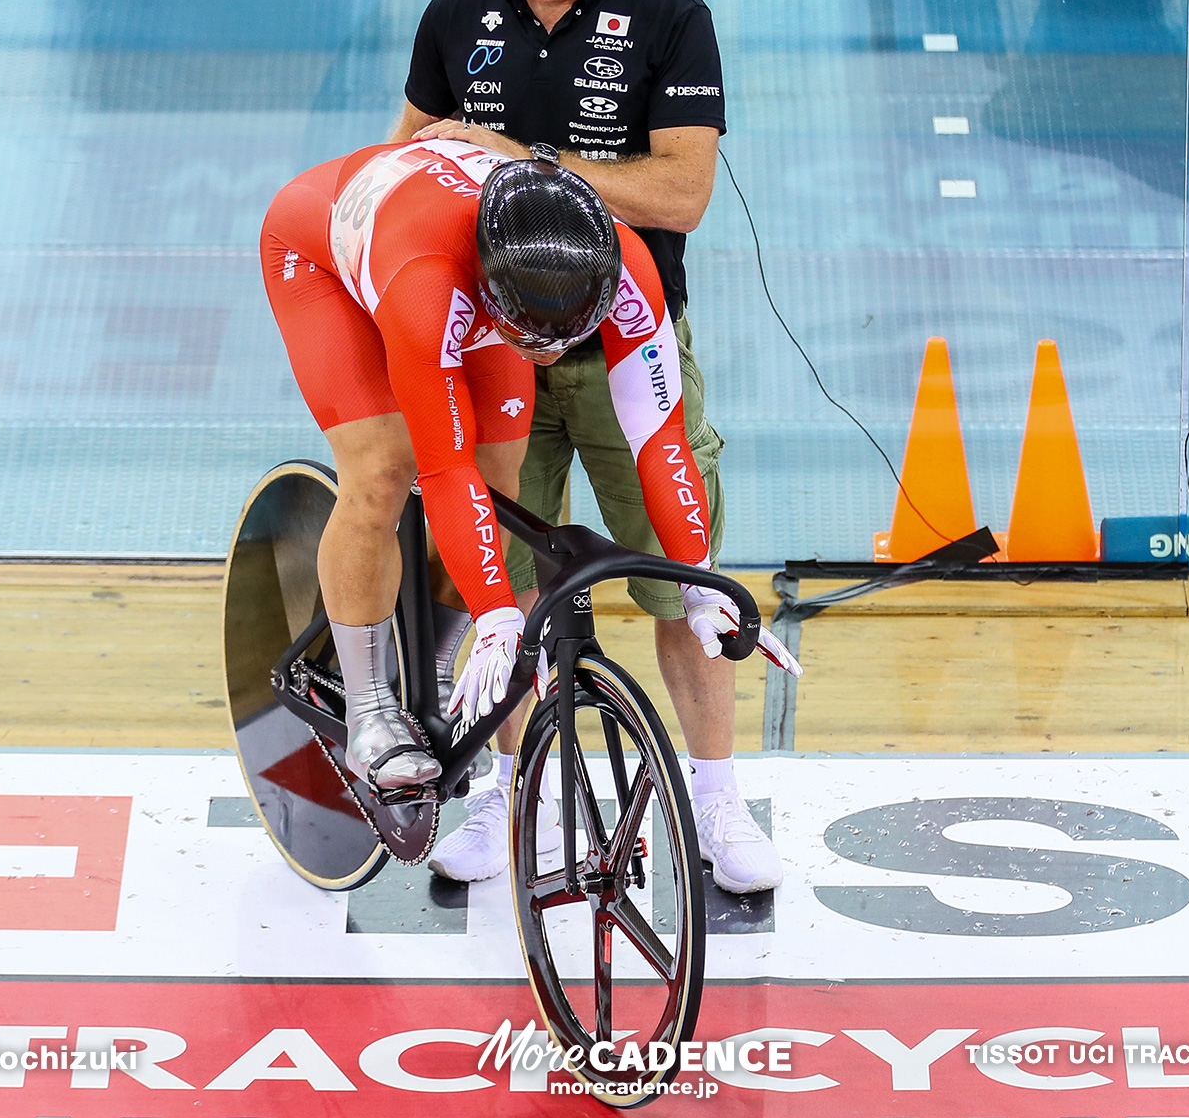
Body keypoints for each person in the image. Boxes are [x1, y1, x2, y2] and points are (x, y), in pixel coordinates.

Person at [385, 0, 782, 895]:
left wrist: (526, 162)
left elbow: (680, 194)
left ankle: (715, 799)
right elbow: (407, 158)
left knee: (678, 583)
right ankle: (501, 797)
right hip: (490, 351)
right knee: (500, 592)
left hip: (626, 343)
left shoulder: (669, 18)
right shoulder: (457, 10)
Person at [258, 136, 798, 822]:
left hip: (472, 274)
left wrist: (696, 584)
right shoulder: (428, 287)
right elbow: (445, 470)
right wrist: (496, 617)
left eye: (568, 341)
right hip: (329, 254)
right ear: (494, 295)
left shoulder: (624, 260)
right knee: (384, 471)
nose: (550, 358)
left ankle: (437, 665)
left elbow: (661, 444)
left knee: (502, 475)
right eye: (531, 339)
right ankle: (369, 711)